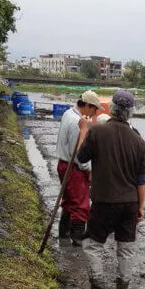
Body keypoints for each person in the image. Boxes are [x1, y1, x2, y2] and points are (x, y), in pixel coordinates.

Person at [76, 89, 145, 289]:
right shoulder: (139, 141)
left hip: (104, 201)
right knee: (126, 247)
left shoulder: (97, 132)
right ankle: (122, 288)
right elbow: (141, 181)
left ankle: (98, 287)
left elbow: (81, 159)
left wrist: (83, 132)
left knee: (92, 244)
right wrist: (140, 207)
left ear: (113, 109)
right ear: (131, 112)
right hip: (130, 203)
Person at [55, 90, 104, 245]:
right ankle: (77, 239)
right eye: (94, 109)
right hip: (74, 168)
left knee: (69, 201)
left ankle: (64, 234)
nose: (94, 113)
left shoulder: (68, 113)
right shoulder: (78, 123)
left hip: (63, 164)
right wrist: (87, 170)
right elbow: (79, 154)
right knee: (81, 205)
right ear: (87, 105)